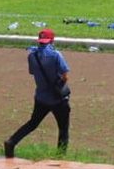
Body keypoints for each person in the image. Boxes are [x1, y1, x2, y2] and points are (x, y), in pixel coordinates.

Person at [5, 29, 70, 159]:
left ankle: (11, 142)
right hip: (58, 99)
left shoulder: (31, 56)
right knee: (63, 129)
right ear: (52, 40)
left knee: (32, 124)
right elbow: (65, 75)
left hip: (41, 97)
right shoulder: (56, 55)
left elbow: (32, 72)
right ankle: (60, 156)